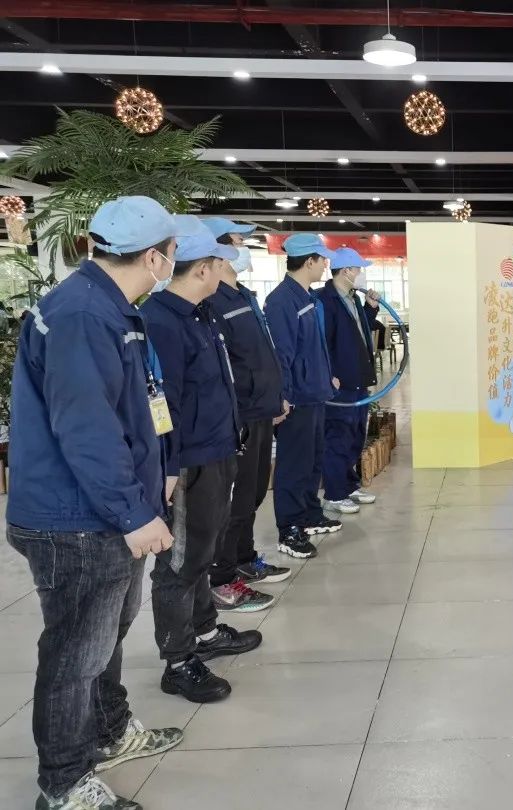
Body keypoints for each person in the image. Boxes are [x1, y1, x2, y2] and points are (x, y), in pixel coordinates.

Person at [7, 196, 183, 810]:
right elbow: (86, 429)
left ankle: (109, 731)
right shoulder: (84, 314)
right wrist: (132, 512)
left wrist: (154, 480)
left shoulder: (108, 306)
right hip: (77, 520)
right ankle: (62, 783)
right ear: (156, 257)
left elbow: (128, 409)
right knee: (75, 654)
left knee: (105, 636)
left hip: (104, 510)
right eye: (174, 252)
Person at [142, 218, 262, 704]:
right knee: (180, 561)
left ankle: (205, 632)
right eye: (219, 264)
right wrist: (170, 467)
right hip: (189, 460)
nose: (224, 272)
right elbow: (161, 404)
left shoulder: (201, 314)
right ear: (203, 269)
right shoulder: (161, 321)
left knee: (202, 552)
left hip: (217, 450)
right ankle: (178, 661)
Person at [204, 218, 292, 609]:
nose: (244, 249)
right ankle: (222, 576)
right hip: (240, 415)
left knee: (253, 493)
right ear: (217, 251)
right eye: (238, 241)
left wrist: (275, 398)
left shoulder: (243, 295)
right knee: (235, 499)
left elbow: (260, 355)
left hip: (260, 410)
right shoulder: (213, 302)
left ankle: (244, 558)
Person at [265, 234, 340, 558]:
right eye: (322, 259)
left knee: (312, 460)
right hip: (296, 399)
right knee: (293, 466)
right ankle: (290, 528)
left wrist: (326, 376)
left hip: (315, 394)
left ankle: (309, 514)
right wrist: (283, 396)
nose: (325, 265)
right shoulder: (282, 301)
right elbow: (282, 354)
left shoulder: (306, 297)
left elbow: (312, 348)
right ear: (309, 261)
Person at [319, 247, 380, 513]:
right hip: (339, 382)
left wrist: (370, 309)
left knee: (355, 435)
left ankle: (349, 485)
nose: (360, 274)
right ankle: (334, 494)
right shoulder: (325, 300)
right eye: (358, 269)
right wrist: (328, 374)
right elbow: (322, 342)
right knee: (338, 437)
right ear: (346, 271)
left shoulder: (352, 299)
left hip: (358, 379)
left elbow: (356, 333)